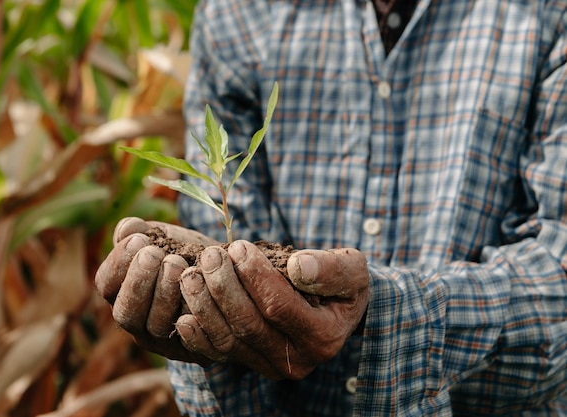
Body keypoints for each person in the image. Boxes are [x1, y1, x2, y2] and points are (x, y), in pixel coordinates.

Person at [95, 0, 567, 415]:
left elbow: (556, 275)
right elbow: (225, 237)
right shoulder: (237, 11)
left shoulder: (546, 12)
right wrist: (216, 305)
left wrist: (383, 312)